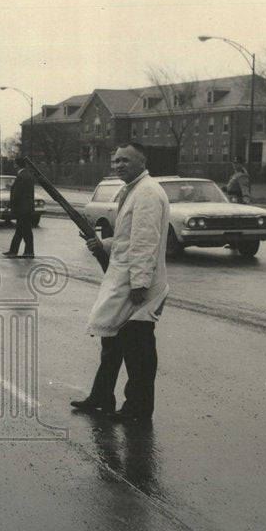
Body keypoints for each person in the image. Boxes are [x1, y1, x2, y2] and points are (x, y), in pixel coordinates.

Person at [72, 142, 170, 423]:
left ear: (142, 162)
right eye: (115, 161)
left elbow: (145, 242)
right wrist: (102, 244)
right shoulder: (133, 190)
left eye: (125, 161)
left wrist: (139, 284)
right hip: (125, 279)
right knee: (112, 342)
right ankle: (102, 396)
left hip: (137, 285)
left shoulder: (148, 192)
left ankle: (138, 409)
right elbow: (128, 239)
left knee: (138, 349)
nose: (118, 166)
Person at [2, 162, 35, 258]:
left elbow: (16, 194)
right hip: (27, 207)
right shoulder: (28, 175)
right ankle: (14, 251)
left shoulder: (20, 177)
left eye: (14, 165)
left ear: (17, 165)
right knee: (20, 230)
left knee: (25, 230)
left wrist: (8, 205)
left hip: (22, 208)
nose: (14, 166)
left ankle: (29, 252)